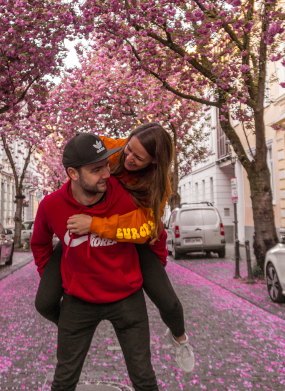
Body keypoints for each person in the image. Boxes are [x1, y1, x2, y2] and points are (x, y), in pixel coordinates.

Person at [35, 123, 195, 374]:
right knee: (44, 301)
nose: (128, 158)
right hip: (85, 228)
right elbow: (82, 149)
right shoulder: (114, 149)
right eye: (128, 149)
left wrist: (96, 225)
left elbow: (146, 230)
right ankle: (71, 325)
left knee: (169, 302)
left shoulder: (158, 185)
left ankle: (180, 338)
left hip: (135, 237)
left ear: (153, 162)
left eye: (138, 157)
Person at [31, 133, 161, 391]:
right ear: (73, 173)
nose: (106, 174)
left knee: (144, 378)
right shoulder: (51, 206)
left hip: (127, 297)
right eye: (96, 169)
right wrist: (56, 277)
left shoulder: (126, 197)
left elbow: (151, 230)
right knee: (64, 380)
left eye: (107, 165)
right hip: (78, 301)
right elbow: (39, 243)